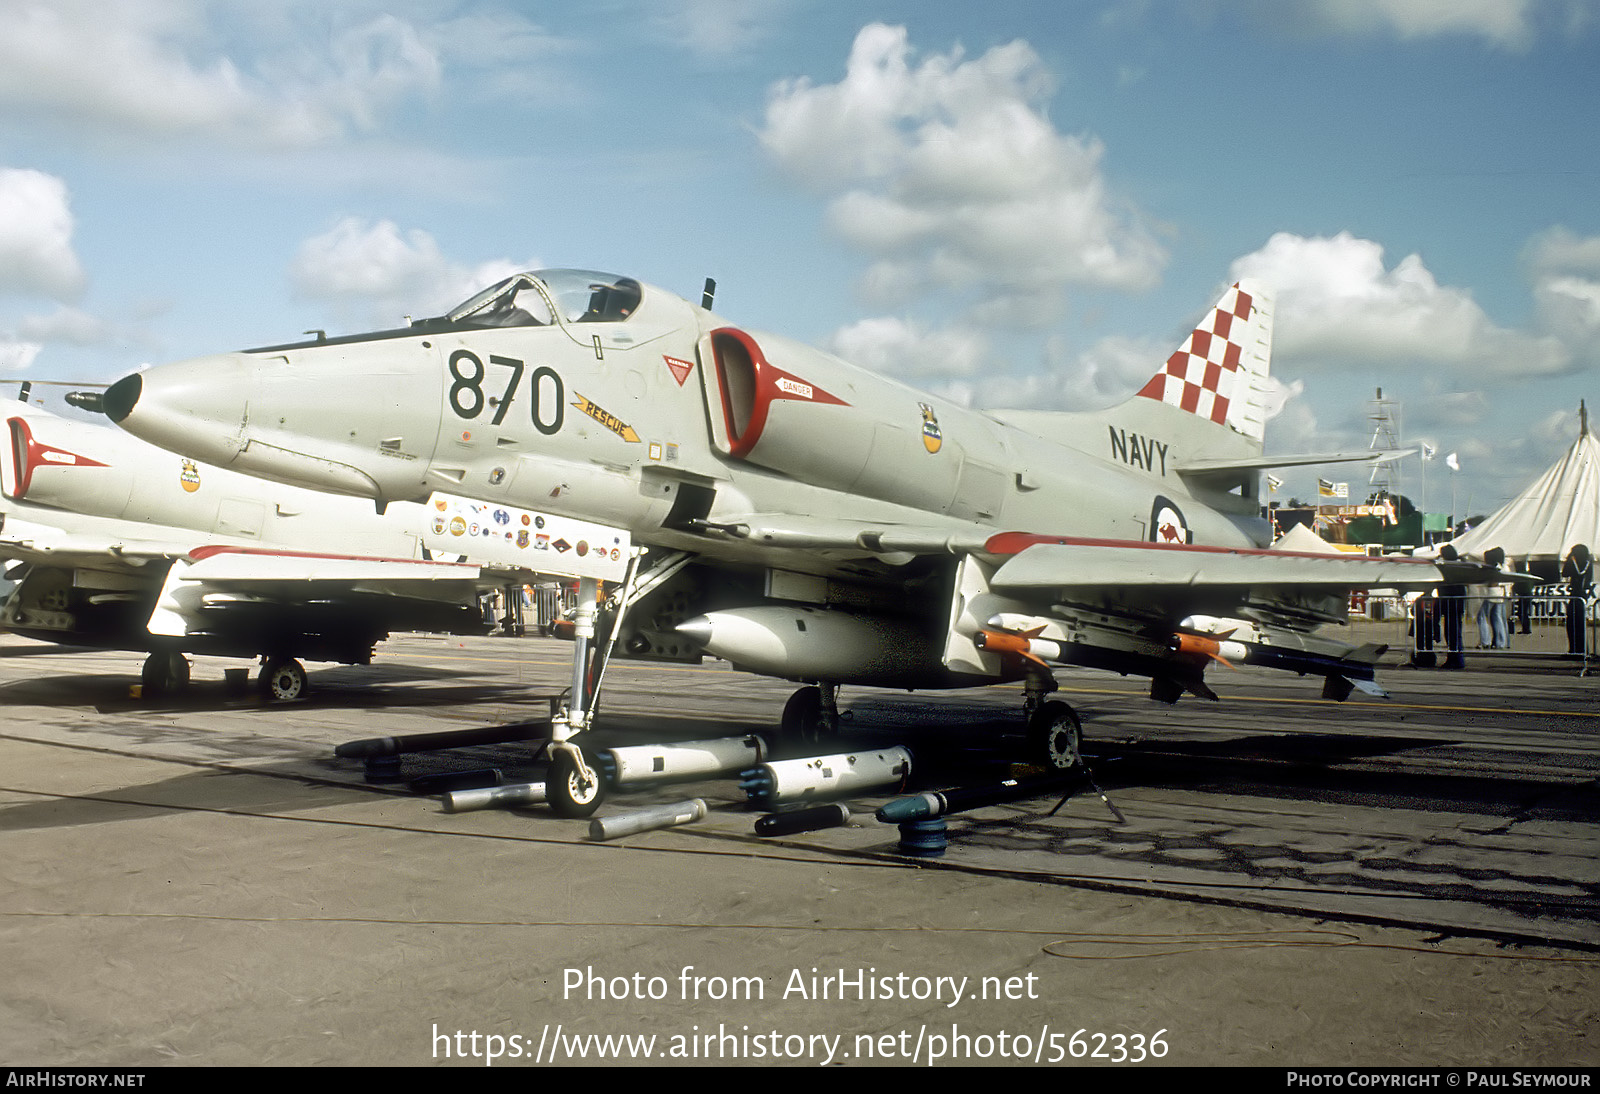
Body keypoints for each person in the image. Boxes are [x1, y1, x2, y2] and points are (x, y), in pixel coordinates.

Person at [1438, 545, 1466, 669]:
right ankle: (1455, 659)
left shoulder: (1450, 568)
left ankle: (1456, 659)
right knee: (1454, 633)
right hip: (1455, 605)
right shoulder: (1460, 567)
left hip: (1451, 604)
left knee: (1452, 634)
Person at [1563, 544, 1593, 656]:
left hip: (1576, 594)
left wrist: (1569, 559)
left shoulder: (1574, 561)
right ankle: (1581, 649)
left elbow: (1565, 572)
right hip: (1583, 594)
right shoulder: (1588, 561)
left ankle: (1574, 650)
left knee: (1572, 624)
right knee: (1580, 625)